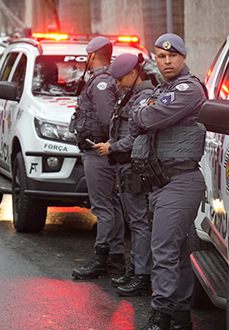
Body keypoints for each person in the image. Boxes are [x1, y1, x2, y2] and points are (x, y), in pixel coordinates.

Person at [131, 33, 207, 330]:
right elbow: (141, 114)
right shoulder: (163, 89)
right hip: (159, 183)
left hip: (181, 181)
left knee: (162, 250)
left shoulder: (189, 89)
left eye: (172, 56)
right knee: (174, 251)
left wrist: (143, 114)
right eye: (161, 57)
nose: (167, 61)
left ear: (183, 58)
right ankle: (180, 316)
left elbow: (148, 118)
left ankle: (161, 316)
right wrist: (143, 113)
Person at [93, 53, 154, 297]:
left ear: (133, 73)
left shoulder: (144, 97)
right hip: (126, 165)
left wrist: (113, 147)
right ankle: (135, 269)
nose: (117, 84)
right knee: (135, 221)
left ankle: (142, 275)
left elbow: (138, 135)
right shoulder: (131, 94)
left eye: (120, 79)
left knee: (139, 223)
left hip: (134, 166)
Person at [69, 36, 125, 279]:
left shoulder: (101, 83)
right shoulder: (107, 79)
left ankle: (103, 258)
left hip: (99, 152)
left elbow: (106, 119)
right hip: (103, 151)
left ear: (92, 55)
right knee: (111, 206)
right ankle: (115, 259)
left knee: (103, 207)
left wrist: (108, 145)